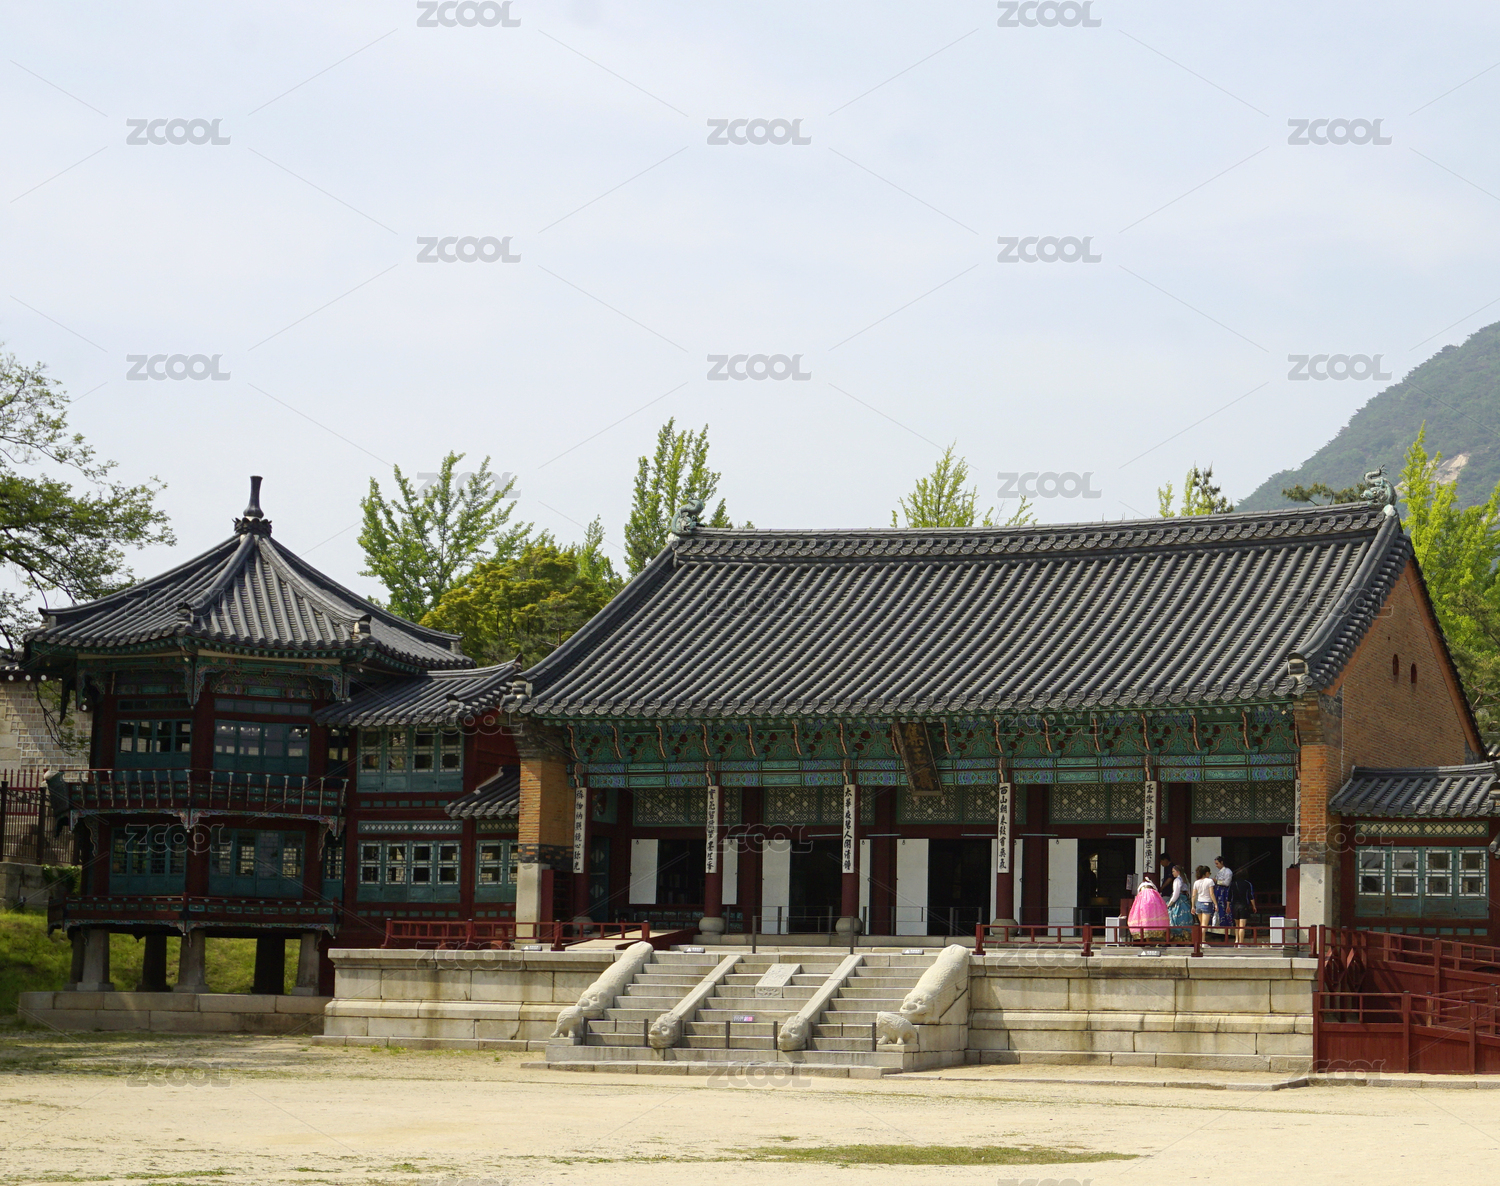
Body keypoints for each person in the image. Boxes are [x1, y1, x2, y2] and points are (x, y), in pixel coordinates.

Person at [1127, 873, 1169, 941]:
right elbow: (1156, 891)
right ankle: (1156, 937)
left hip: (1143, 903)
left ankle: (1146, 939)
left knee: (1144, 919)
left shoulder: (1141, 885)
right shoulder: (1152, 885)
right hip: (1154, 902)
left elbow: (1138, 893)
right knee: (1154, 918)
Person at [1166, 863, 1193, 938]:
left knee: (1176, 918)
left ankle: (1177, 936)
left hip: (1179, 901)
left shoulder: (1177, 880)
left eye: (1173, 871)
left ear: (1178, 872)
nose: (1172, 873)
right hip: (1185, 899)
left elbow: (1176, 893)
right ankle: (1187, 936)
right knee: (1186, 917)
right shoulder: (1185, 880)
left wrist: (1170, 903)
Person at [1231, 872, 1258, 943]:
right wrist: (1254, 906)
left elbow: (1229, 895)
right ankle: (1241, 942)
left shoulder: (1233, 884)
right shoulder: (1247, 884)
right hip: (1243, 905)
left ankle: (1236, 940)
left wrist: (1228, 906)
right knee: (1242, 926)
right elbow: (1250, 896)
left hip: (1235, 905)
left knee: (1237, 925)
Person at [1212, 856, 1234, 932]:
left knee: (1225, 908)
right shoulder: (1219, 872)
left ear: (1221, 862)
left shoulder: (1228, 871)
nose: (1216, 865)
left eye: (1217, 863)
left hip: (1224, 893)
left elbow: (1227, 883)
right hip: (1218, 892)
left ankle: (1227, 926)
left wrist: (1217, 881)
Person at [1192, 864, 1215, 931]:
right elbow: (1211, 893)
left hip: (1198, 903)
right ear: (1206, 873)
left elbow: (1193, 895)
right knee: (1204, 925)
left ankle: (1201, 936)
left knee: (1201, 924)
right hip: (1207, 903)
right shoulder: (1209, 881)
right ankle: (1203, 937)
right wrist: (1215, 903)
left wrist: (1193, 906)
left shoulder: (1196, 882)